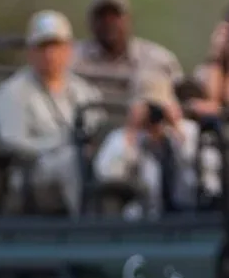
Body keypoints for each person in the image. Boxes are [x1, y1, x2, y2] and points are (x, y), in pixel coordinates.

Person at [0, 9, 104, 215]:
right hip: (33, 171)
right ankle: (88, 230)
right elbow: (13, 141)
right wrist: (63, 144)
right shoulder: (12, 92)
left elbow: (97, 127)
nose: (50, 54)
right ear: (30, 51)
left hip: (81, 158)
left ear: (69, 49)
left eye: (56, 46)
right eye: (42, 47)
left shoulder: (83, 91)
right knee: (72, 160)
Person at [92, 76, 216, 217]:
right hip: (145, 215)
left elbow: (211, 168)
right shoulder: (122, 137)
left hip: (190, 211)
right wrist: (131, 134)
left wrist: (178, 131)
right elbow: (106, 174)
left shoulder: (189, 131)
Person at [72, 0, 184, 100]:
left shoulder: (158, 60)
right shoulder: (72, 57)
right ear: (91, 23)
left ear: (129, 20)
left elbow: (181, 95)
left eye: (115, 16)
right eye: (102, 17)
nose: (108, 22)